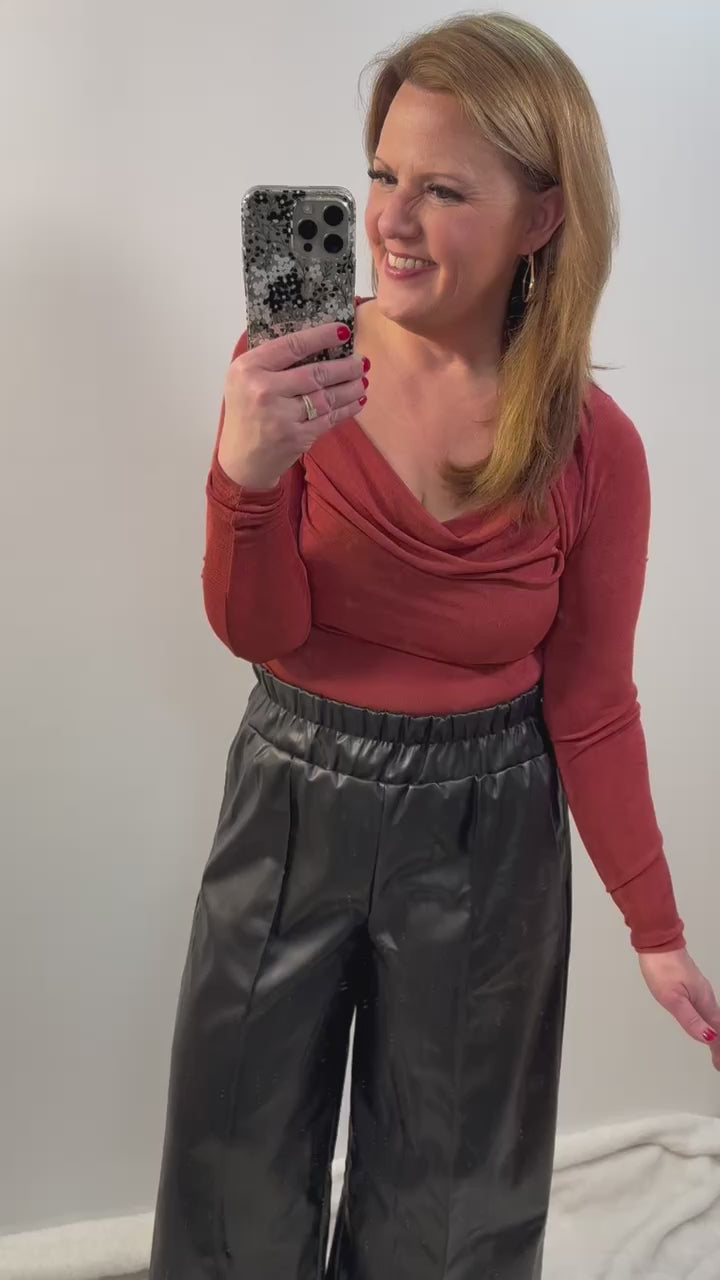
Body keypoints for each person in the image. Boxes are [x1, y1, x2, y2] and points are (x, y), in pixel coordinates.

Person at [148, 12, 719, 1280]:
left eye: (444, 189)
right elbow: (260, 632)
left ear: (540, 217)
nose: (391, 220)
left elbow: (592, 699)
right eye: (383, 174)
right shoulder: (291, 370)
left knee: (453, 1193)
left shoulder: (594, 446)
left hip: (487, 821)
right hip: (292, 791)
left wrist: (655, 925)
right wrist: (248, 476)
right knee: (235, 1157)